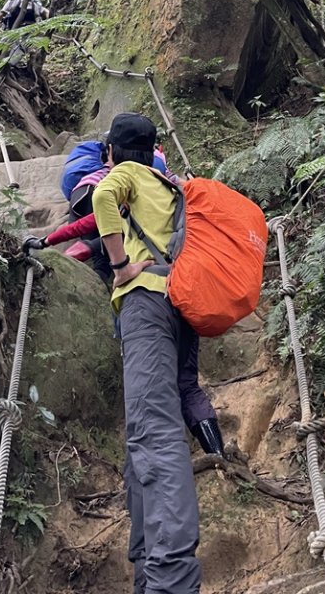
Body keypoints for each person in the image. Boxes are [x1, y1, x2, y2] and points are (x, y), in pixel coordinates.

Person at [26, 149, 225, 456]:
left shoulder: (125, 193)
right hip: (184, 292)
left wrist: (47, 242)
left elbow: (89, 223)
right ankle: (218, 456)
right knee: (187, 384)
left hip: (145, 296)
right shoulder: (176, 193)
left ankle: (165, 469)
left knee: (152, 389)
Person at [92, 112, 206, 594]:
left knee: (154, 433)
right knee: (145, 433)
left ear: (113, 152)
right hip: (181, 307)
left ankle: (171, 582)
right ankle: (147, 573)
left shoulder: (124, 176)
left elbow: (99, 197)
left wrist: (119, 266)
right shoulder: (169, 184)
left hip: (146, 305)